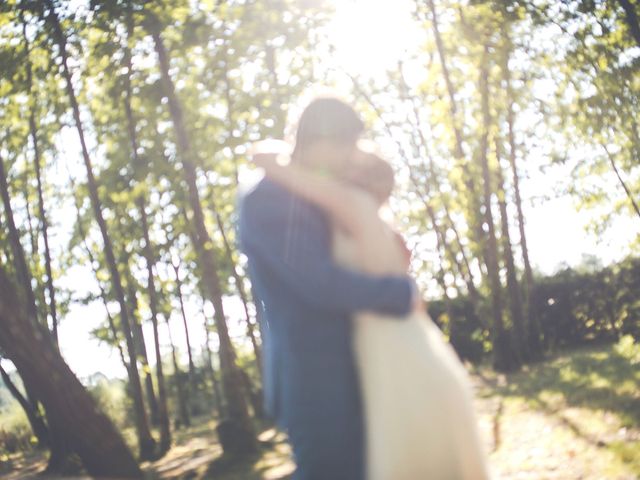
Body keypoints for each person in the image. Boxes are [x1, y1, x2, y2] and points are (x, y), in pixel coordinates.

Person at [239, 97, 418, 480]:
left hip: (361, 364)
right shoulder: (268, 199)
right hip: (315, 378)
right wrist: (401, 294)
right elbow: (318, 283)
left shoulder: (316, 189)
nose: (350, 157)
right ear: (320, 139)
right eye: (345, 146)